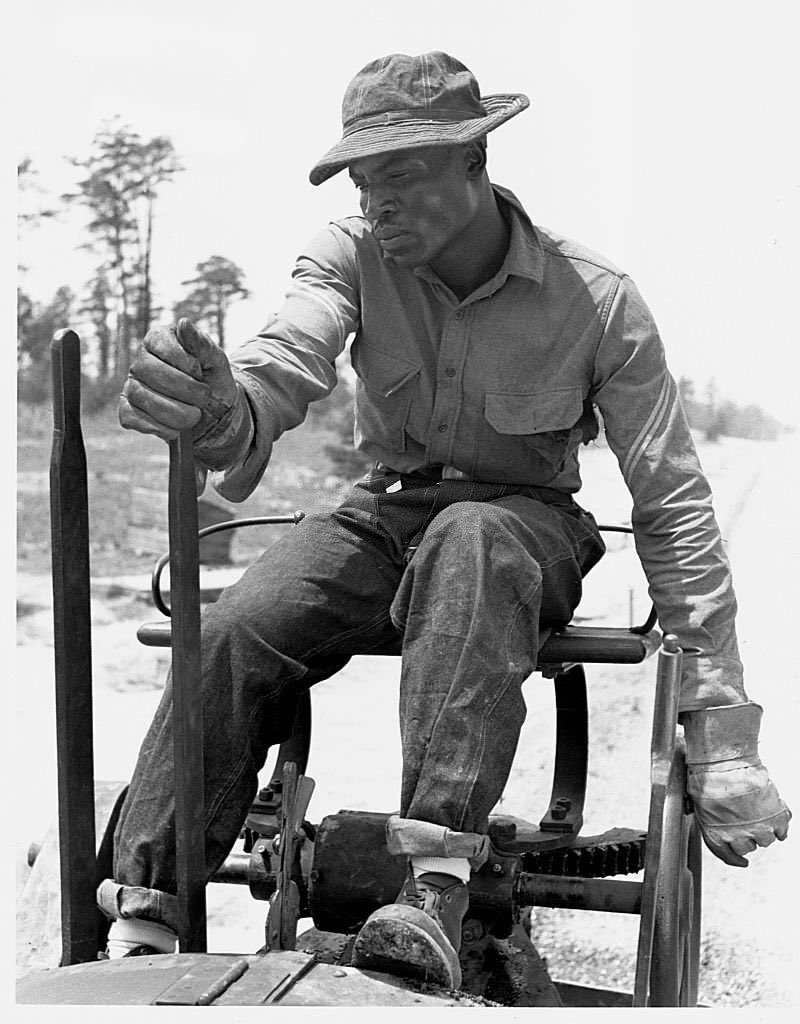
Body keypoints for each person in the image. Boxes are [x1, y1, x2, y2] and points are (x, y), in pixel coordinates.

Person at [101, 51, 790, 987]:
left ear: (477, 164)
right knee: (231, 629)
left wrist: (722, 725)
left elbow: (671, 498)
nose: (377, 204)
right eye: (362, 181)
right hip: (384, 515)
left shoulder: (598, 300)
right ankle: (146, 906)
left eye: (404, 176)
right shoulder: (348, 254)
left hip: (524, 524)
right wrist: (230, 410)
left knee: (473, 544)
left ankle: (431, 894)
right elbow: (286, 356)